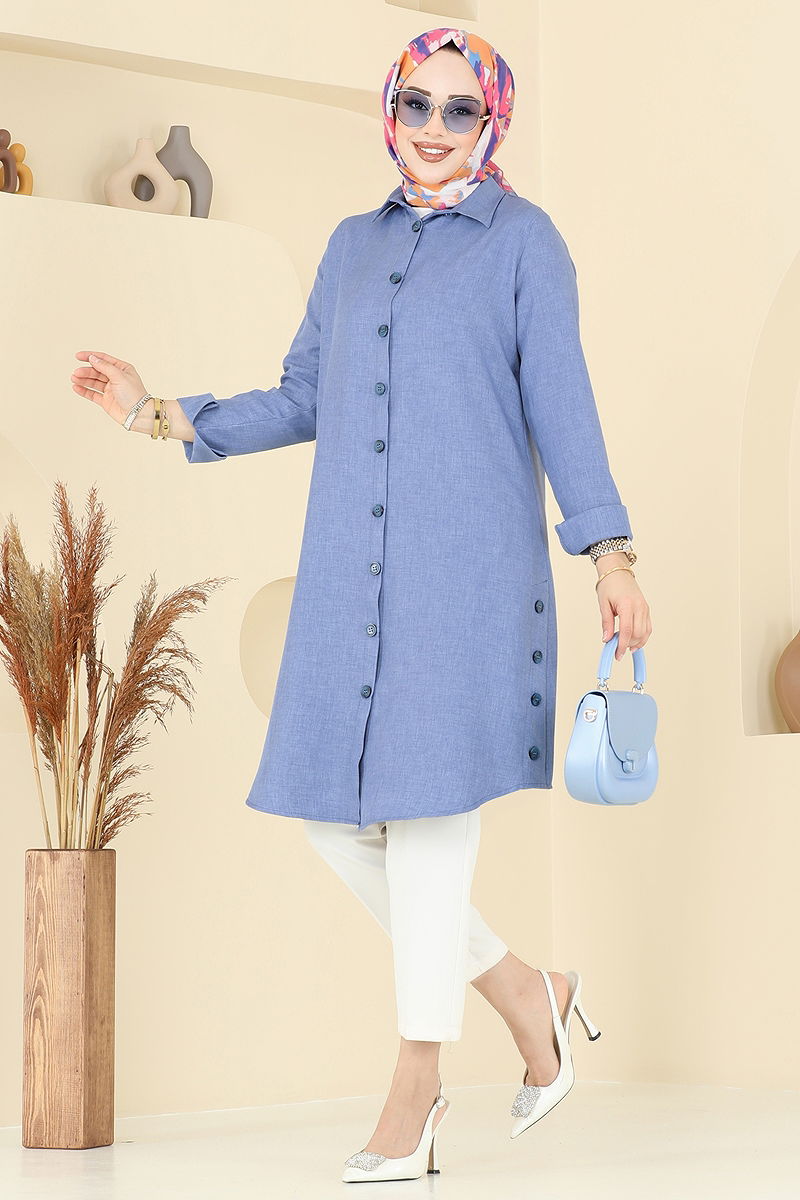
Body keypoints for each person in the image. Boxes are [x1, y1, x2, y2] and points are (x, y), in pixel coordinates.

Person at [71, 26, 652, 1184]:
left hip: (469, 581)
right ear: (390, 109)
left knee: (429, 821)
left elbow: (564, 406)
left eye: (459, 110)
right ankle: (524, 993)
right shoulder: (350, 247)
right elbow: (304, 397)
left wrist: (609, 555)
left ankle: (416, 1082)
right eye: (416, 104)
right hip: (354, 580)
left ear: (489, 122)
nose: (434, 128)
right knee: (332, 817)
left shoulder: (523, 243)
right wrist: (154, 412)